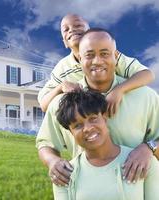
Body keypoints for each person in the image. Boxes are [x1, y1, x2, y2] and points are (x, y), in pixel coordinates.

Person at [36, 28, 159, 188]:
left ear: (115, 57)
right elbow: (45, 143)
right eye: (89, 55)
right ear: (80, 58)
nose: (97, 61)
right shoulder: (62, 103)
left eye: (104, 54)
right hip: (87, 190)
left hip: (138, 191)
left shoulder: (145, 96)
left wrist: (148, 148)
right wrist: (53, 161)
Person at [38, 14, 155, 117]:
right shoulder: (62, 68)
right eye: (66, 29)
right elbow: (44, 104)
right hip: (88, 116)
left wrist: (119, 90)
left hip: (120, 111)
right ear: (64, 42)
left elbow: (147, 74)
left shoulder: (110, 56)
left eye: (78, 26)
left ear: (90, 33)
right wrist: (61, 87)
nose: (71, 30)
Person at [53, 90, 159, 200]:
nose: (88, 128)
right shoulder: (64, 174)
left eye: (93, 119)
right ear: (71, 132)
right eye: (78, 126)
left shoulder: (144, 161)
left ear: (104, 118)